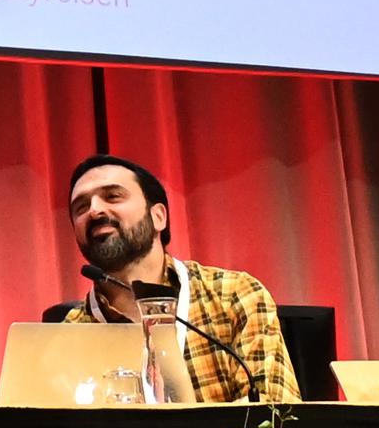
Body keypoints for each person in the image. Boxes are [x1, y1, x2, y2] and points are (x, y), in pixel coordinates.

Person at [44, 153, 301, 405]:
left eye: (113, 196)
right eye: (81, 207)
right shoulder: (69, 335)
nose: (95, 210)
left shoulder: (233, 295)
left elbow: (273, 416)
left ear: (159, 217)